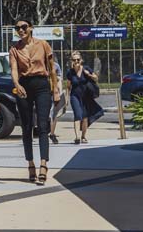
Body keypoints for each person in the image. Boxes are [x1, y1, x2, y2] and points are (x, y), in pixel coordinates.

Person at [9, 19, 60, 184]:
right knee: (26, 126)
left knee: (43, 125)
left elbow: (51, 68)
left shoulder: (43, 44)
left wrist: (56, 89)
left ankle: (43, 165)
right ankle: (30, 164)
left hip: (41, 85)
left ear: (30, 28)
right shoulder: (14, 49)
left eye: (24, 27)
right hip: (24, 86)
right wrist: (17, 84)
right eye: (17, 28)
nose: (21, 30)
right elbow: (14, 70)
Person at [65, 50, 104, 144]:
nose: (76, 61)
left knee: (85, 117)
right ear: (72, 61)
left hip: (86, 96)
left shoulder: (86, 68)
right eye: (74, 60)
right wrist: (66, 99)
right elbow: (68, 86)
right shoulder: (70, 72)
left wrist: (89, 74)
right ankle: (77, 137)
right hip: (75, 96)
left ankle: (83, 136)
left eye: (78, 59)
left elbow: (96, 78)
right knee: (78, 115)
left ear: (81, 60)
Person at [48, 60, 65, 145]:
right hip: (43, 92)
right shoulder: (40, 64)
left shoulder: (56, 66)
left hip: (53, 92)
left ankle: (52, 133)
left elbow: (59, 79)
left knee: (54, 114)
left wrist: (59, 92)